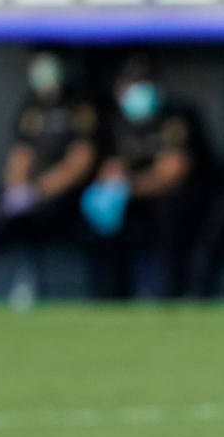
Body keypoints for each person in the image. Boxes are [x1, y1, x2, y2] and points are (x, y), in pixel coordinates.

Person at [0, 50, 98, 287]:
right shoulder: (33, 105)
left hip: (64, 199)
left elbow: (80, 161)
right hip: (29, 199)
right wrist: (16, 191)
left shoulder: (79, 104)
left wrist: (37, 191)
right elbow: (21, 154)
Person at [85, 55, 208, 298]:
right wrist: (113, 183)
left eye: (142, 82)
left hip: (179, 199)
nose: (136, 92)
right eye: (130, 84)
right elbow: (108, 168)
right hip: (136, 200)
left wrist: (129, 186)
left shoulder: (176, 118)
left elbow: (172, 172)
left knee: (168, 213)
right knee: (105, 215)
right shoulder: (115, 123)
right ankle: (111, 296)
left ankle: (175, 294)